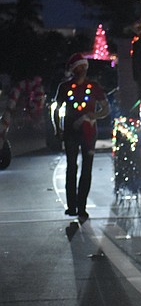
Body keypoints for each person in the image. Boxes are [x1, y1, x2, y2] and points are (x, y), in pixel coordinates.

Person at [52, 53, 111, 220]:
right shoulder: (64, 88)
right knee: (71, 168)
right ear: (73, 69)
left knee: (86, 170)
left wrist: (93, 116)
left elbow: (106, 109)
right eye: (78, 68)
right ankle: (72, 206)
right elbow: (56, 109)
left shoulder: (94, 87)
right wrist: (58, 129)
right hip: (71, 132)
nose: (82, 70)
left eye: (83, 67)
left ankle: (82, 207)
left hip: (89, 133)